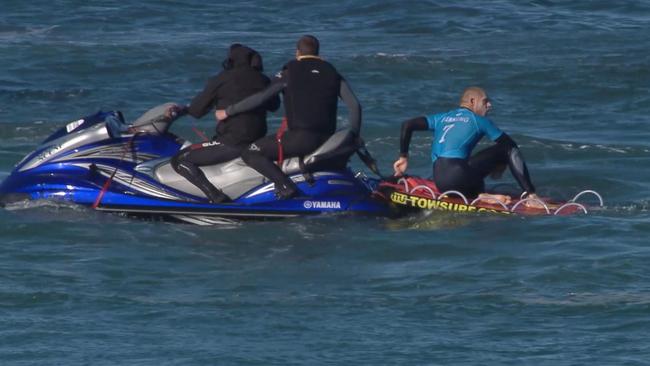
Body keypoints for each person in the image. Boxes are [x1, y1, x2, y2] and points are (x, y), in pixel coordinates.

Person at [215, 35, 361, 199]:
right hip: (327, 140)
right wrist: (353, 136)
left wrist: (229, 111)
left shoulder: (289, 71)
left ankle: (285, 187)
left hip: (301, 139)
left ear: (297, 52)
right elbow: (355, 106)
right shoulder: (332, 72)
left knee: (251, 152)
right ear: (318, 52)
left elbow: (262, 98)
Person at [168, 44, 280, 203]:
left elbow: (196, 110)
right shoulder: (263, 79)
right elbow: (274, 106)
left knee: (179, 160)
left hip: (232, 142)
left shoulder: (222, 79)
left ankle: (215, 196)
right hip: (257, 142)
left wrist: (183, 110)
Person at [392, 86, 541, 205]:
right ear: (472, 101)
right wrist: (501, 164)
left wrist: (403, 157)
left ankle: (478, 194)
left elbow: (407, 124)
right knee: (508, 150)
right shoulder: (479, 120)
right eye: (485, 101)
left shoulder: (442, 117)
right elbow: (510, 146)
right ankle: (531, 196)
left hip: (441, 182)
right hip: (463, 180)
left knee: (468, 161)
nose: (489, 105)